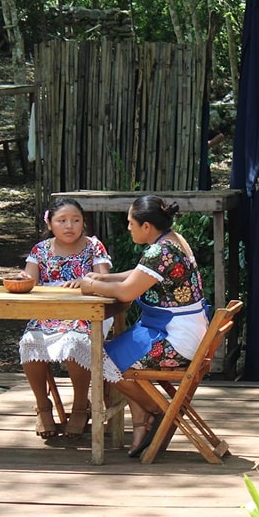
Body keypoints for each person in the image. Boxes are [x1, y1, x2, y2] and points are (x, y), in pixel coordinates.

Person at [76, 195, 209, 458]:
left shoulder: (160, 251)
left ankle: (156, 409)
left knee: (101, 360)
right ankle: (141, 416)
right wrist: (103, 277)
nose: (128, 228)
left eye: (130, 223)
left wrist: (91, 285)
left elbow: (126, 292)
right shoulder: (173, 241)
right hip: (184, 331)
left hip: (175, 340)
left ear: (146, 226)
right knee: (109, 355)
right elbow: (139, 273)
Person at [18, 197, 112, 439]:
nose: (69, 225)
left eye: (75, 220)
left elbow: (106, 279)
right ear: (50, 223)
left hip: (87, 315)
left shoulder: (93, 246)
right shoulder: (40, 250)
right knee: (30, 342)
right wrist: (21, 279)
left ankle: (81, 406)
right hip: (48, 314)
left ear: (83, 223)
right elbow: (29, 282)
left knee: (73, 343)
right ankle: (42, 406)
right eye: (62, 220)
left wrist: (88, 281)